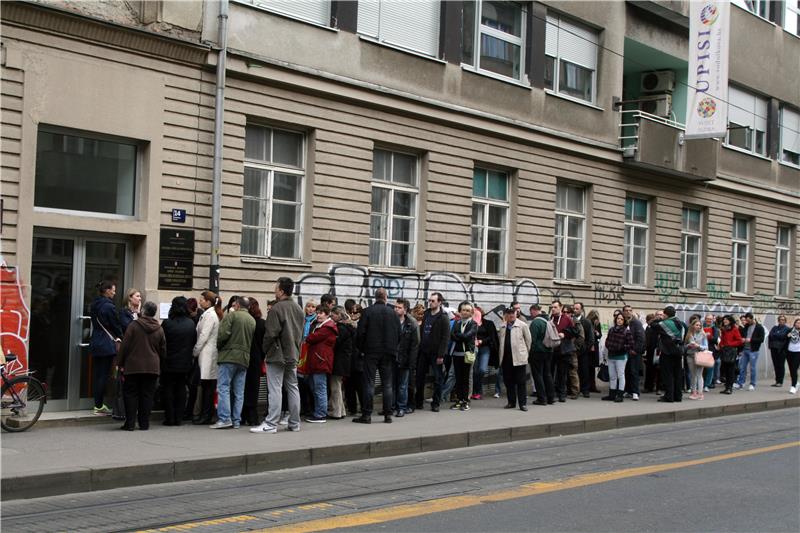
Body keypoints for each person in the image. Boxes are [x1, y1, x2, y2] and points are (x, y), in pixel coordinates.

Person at [251, 277, 304, 434]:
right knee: (293, 387)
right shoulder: (298, 308)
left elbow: (270, 334)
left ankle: (271, 423)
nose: (274, 290)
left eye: (276, 288)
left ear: (281, 291)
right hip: (293, 353)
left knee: (275, 389)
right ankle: (294, 423)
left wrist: (265, 350)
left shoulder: (276, 308)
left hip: (277, 354)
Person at [115, 301, 165, 431]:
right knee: (147, 395)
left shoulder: (134, 326)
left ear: (143, 311)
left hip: (133, 365)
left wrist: (119, 363)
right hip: (152, 367)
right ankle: (144, 423)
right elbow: (163, 349)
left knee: (131, 394)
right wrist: (160, 363)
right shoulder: (159, 328)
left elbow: (125, 346)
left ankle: (130, 423)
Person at [354, 288, 400, 424]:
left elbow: (360, 333)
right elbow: (399, 333)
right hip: (388, 352)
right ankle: (388, 415)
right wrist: (393, 347)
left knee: (369, 383)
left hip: (371, 352)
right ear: (385, 298)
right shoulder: (393, 313)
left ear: (375, 298)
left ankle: (367, 415)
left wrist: (362, 348)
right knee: (387, 384)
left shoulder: (368, 311)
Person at [212, 296, 256, 429]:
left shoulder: (232, 316)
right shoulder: (252, 320)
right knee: (239, 391)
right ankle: (236, 420)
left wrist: (219, 347)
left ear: (237, 305)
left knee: (223, 387)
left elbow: (222, 335)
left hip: (229, 356)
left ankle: (225, 418)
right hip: (244, 358)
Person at [160, 296, 197, 426]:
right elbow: (193, 342)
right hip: (185, 362)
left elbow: (162, 342)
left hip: (169, 361)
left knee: (168, 389)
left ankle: (169, 417)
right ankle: (179, 418)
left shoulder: (167, 323)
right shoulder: (191, 323)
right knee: (181, 388)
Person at [89, 280, 123, 415]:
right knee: (103, 376)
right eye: (113, 290)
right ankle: (98, 406)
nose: (114, 292)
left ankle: (97, 403)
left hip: (96, 341)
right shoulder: (109, 306)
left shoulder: (95, 304)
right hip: (106, 344)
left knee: (98, 375)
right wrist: (121, 336)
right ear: (107, 290)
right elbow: (115, 324)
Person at [414, 292, 450, 412]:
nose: (430, 302)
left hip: (436, 353)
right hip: (423, 351)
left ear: (439, 302)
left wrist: (441, 355)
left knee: (438, 378)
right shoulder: (426, 314)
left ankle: (436, 403)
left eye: (433, 301)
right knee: (419, 377)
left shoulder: (443, 317)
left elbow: (445, 338)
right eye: (429, 300)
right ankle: (418, 402)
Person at [191, 290, 222, 424]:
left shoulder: (210, 315)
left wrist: (195, 351)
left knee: (208, 387)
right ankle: (205, 415)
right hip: (207, 354)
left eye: (202, 299)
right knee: (206, 386)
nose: (200, 301)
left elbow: (204, 336)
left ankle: (206, 416)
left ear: (208, 302)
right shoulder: (209, 314)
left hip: (207, 354)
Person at [304, 304, 337, 423]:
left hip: (321, 361)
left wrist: (309, 336)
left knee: (320, 388)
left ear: (327, 314)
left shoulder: (327, 327)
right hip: (317, 361)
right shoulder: (321, 326)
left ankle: (321, 414)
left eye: (321, 313)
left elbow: (311, 338)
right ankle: (318, 411)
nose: (318, 315)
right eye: (317, 313)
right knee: (315, 387)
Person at [498, 307, 532, 411]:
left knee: (521, 381)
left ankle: (522, 404)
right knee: (508, 381)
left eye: (512, 313)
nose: (510, 315)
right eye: (508, 313)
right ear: (505, 315)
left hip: (519, 358)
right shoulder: (502, 326)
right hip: (506, 358)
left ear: (516, 313)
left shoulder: (522, 325)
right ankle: (511, 402)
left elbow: (528, 341)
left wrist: (525, 354)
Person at [242, 298, 266, 426]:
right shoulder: (262, 323)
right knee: (253, 388)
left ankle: (242, 415)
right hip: (256, 359)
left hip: (243, 357)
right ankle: (252, 416)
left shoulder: (244, 322)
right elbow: (265, 344)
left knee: (241, 387)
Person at [449, 301, 477, 411]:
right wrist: (460, 336)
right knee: (458, 378)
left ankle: (466, 401)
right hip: (456, 353)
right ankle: (459, 400)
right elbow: (452, 335)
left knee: (465, 378)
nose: (465, 312)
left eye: (467, 310)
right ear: (460, 311)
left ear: (471, 312)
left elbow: (467, 336)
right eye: (463, 310)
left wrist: (459, 336)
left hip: (467, 354)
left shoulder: (473, 324)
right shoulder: (457, 323)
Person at [394, 298, 419, 417]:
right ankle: (392, 407)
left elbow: (415, 345)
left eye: (399, 307)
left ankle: (401, 407)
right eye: (395, 307)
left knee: (402, 385)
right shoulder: (392, 320)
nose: (396, 309)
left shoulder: (411, 323)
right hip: (392, 358)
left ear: (405, 310)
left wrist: (411, 362)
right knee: (392, 384)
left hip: (405, 358)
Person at [656, 306, 686, 403]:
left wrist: (657, 318)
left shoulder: (664, 323)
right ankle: (678, 396)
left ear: (665, 314)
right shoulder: (680, 323)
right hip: (678, 352)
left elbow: (652, 325)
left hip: (667, 352)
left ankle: (669, 396)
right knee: (677, 375)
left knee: (668, 375)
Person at [330, 306, 355, 420]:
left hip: (339, 361)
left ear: (339, 315)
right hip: (345, 360)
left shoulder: (341, 328)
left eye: (333, 314)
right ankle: (342, 411)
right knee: (338, 386)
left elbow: (336, 343)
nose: (331, 316)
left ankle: (337, 412)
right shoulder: (348, 327)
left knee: (335, 386)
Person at [550, 300, 578, 403]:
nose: (553, 309)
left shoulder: (567, 319)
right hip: (552, 350)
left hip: (564, 350)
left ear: (560, 308)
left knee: (562, 373)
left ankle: (562, 394)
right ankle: (552, 393)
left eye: (555, 307)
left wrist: (564, 334)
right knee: (551, 373)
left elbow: (575, 332)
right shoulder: (550, 319)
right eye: (552, 307)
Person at [603, 313, 634, 403]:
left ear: (624, 321)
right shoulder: (611, 330)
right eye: (618, 319)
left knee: (620, 375)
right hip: (611, 355)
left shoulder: (626, 331)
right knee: (612, 376)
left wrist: (622, 347)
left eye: (621, 319)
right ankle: (612, 394)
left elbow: (631, 344)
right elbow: (607, 340)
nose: (619, 320)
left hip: (621, 356)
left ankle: (620, 395)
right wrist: (608, 346)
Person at [529, 304, 554, 405]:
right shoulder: (547, 320)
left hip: (537, 352)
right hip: (549, 351)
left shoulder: (536, 322)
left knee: (538, 375)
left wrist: (529, 353)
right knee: (547, 374)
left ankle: (542, 398)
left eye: (531, 312)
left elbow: (532, 340)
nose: (531, 314)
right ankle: (551, 397)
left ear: (535, 311)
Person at [471, 306, 497, 400]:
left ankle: (477, 390)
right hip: (473, 349)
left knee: (482, 370)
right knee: (474, 371)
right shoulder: (471, 323)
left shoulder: (488, 323)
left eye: (477, 312)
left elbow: (492, 337)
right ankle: (476, 391)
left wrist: (481, 341)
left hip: (485, 348)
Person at [735, 312, 765, 390]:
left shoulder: (759, 327)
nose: (747, 322)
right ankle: (741, 383)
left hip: (753, 350)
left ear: (752, 319)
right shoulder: (747, 326)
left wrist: (751, 340)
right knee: (742, 367)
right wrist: (743, 339)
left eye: (748, 320)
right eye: (746, 320)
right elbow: (743, 334)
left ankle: (752, 384)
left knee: (752, 368)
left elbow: (761, 339)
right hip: (745, 349)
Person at [622, 305, 645, 401]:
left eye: (630, 310)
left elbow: (641, 338)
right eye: (626, 310)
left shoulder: (636, 323)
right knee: (626, 372)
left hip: (634, 352)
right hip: (624, 351)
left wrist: (635, 350)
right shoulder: (622, 322)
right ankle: (628, 390)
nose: (628, 312)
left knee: (633, 372)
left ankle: (635, 392)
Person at [573, 302, 595, 398]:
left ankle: (585, 390)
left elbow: (591, 337)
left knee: (584, 370)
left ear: (581, 310)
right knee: (573, 371)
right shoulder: (571, 320)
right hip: (573, 350)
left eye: (577, 308)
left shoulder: (586, 322)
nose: (575, 310)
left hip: (583, 351)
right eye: (574, 308)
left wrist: (586, 348)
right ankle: (574, 389)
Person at [684, 318, 709, 400]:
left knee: (699, 375)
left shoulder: (703, 335)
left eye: (699, 325)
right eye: (696, 325)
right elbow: (685, 346)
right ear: (693, 326)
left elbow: (706, 347)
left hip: (700, 355)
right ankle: (693, 392)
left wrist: (698, 346)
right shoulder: (689, 334)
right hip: (690, 356)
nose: (698, 326)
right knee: (693, 375)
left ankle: (700, 393)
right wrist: (689, 345)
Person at [718, 315, 744, 395]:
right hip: (724, 351)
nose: (725, 321)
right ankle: (726, 387)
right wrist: (721, 345)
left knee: (730, 370)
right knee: (725, 369)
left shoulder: (734, 329)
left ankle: (730, 387)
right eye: (724, 319)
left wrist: (730, 344)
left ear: (730, 321)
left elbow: (740, 340)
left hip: (731, 351)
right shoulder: (724, 329)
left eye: (726, 319)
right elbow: (722, 339)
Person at [767, 315, 790, 388]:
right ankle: (777, 381)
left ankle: (780, 381)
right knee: (776, 365)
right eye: (780, 319)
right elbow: (770, 335)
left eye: (783, 320)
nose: (781, 321)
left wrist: (777, 335)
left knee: (781, 365)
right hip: (773, 348)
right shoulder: (774, 328)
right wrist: (778, 335)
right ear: (778, 320)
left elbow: (783, 337)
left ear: (785, 321)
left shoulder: (787, 329)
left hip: (782, 349)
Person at [702, 314, 720, 391]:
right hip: (702, 350)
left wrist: (709, 336)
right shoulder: (701, 327)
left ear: (713, 320)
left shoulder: (715, 329)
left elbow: (716, 339)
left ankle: (707, 385)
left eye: (710, 319)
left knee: (710, 368)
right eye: (707, 319)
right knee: (701, 369)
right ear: (705, 319)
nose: (709, 320)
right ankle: (701, 384)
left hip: (710, 351)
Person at [786, 318, 800, 395]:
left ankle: (793, 386)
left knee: (794, 368)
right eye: (797, 323)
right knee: (791, 369)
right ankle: (796, 382)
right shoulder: (790, 330)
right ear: (794, 324)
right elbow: (784, 338)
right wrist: (787, 336)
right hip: (789, 351)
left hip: (798, 352)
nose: (798, 324)